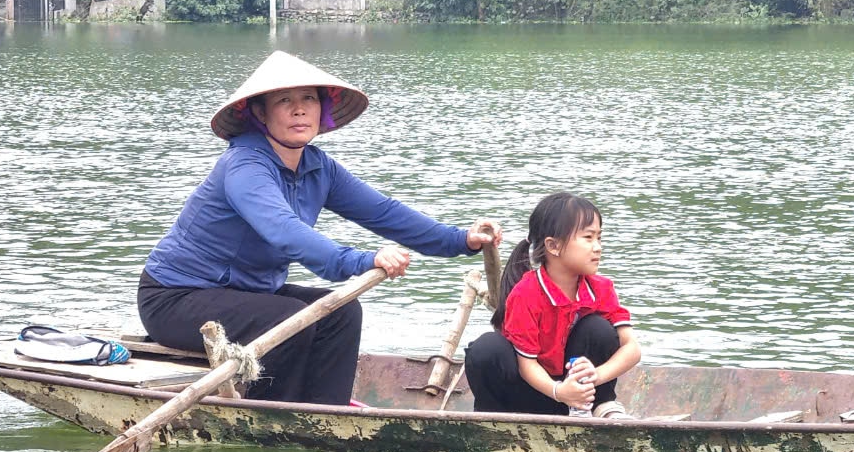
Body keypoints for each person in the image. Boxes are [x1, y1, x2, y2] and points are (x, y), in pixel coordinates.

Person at [137, 50, 503, 406]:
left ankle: (328, 412)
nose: (300, 109)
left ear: (321, 109)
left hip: (245, 294)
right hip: (176, 297)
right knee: (287, 319)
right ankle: (272, 416)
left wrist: (461, 240)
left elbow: (384, 212)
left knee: (342, 310)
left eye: (309, 99)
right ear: (260, 113)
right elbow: (285, 231)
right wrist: (362, 260)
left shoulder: (317, 166)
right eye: (285, 101)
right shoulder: (244, 165)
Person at [464, 192, 640, 417]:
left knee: (598, 328)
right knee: (486, 348)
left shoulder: (601, 288)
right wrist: (558, 391)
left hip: (577, 397)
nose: (597, 247)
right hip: (530, 394)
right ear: (553, 246)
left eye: (599, 238)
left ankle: (601, 406)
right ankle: (491, 419)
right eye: (588, 237)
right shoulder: (526, 294)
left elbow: (632, 349)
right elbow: (526, 365)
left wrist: (596, 375)